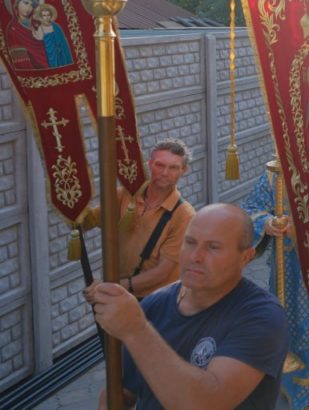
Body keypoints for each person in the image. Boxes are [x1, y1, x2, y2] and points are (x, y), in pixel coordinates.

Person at [92, 204, 289, 408]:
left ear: (245, 257)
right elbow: (125, 391)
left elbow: (206, 403)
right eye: (190, 242)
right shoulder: (155, 304)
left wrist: (136, 330)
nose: (196, 256)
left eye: (213, 247)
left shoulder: (262, 317)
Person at [241, 170, 309, 409]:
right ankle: (285, 382)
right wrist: (267, 223)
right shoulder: (274, 173)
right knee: (286, 320)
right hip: (287, 265)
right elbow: (250, 209)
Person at [83, 140, 197, 299]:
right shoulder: (125, 195)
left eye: (173, 167)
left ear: (183, 170)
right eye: (159, 165)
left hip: (157, 301)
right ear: (150, 164)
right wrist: (76, 203)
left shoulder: (184, 215)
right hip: (119, 293)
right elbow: (87, 222)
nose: (165, 172)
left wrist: (111, 286)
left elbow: (161, 272)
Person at [5, 0, 48, 70]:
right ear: (16, 5)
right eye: (25, 3)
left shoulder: (38, 24)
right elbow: (20, 59)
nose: (29, 7)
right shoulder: (13, 29)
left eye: (32, 5)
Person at [33, 3, 73, 68]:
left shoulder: (56, 26)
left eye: (48, 15)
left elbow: (63, 40)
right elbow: (39, 39)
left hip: (59, 52)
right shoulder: (41, 28)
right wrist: (34, 34)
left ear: (51, 16)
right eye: (44, 15)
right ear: (41, 16)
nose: (46, 17)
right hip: (48, 53)